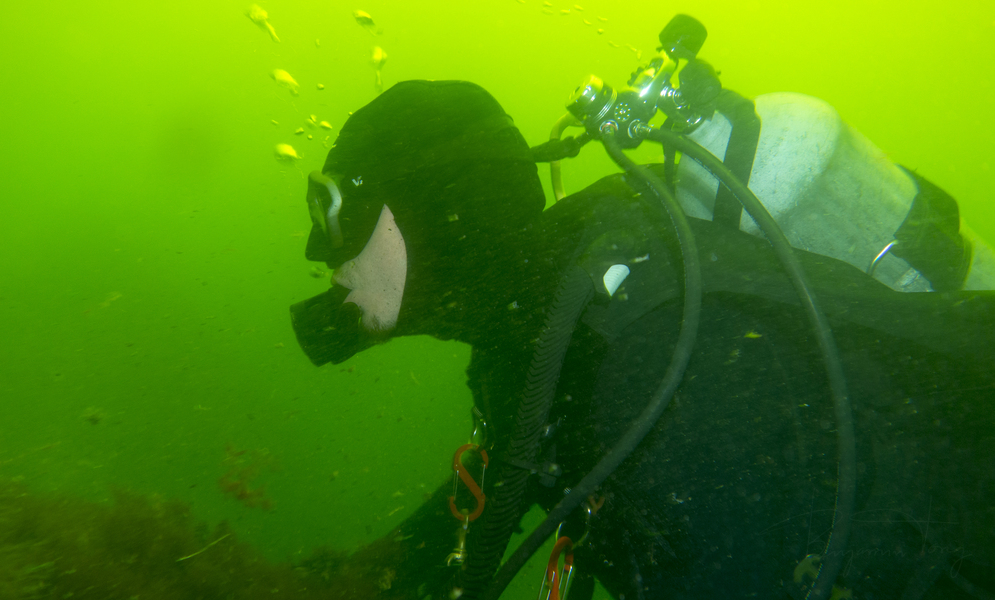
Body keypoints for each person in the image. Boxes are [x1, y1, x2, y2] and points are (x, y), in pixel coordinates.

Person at [289, 80, 995, 600]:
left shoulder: (650, 362)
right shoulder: (536, 340)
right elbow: (491, 493)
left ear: (432, 207)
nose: (321, 253)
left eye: (335, 209)